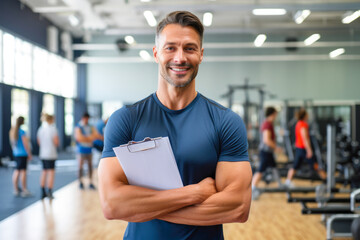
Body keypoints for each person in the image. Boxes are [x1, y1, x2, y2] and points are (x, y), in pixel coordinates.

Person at [98, 11, 252, 240]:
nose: (180, 58)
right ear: (156, 53)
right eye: (170, 48)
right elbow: (112, 205)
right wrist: (194, 193)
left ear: (201, 54)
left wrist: (144, 206)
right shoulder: (125, 119)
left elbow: (237, 207)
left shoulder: (226, 122)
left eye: (189, 48)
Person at [285, 108, 326, 187]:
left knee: (295, 166)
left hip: (299, 148)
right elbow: (305, 138)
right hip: (303, 149)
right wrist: (309, 150)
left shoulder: (298, 123)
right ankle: (326, 180)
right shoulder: (303, 124)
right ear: (304, 116)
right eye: (307, 115)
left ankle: (288, 181)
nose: (308, 116)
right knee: (315, 164)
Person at [252, 107, 282, 196]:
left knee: (274, 167)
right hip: (265, 151)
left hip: (268, 151)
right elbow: (266, 140)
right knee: (261, 170)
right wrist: (276, 147)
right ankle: (252, 188)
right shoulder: (267, 124)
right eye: (276, 114)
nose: (276, 116)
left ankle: (280, 184)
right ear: (272, 114)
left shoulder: (269, 123)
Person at [74, 112, 100, 190]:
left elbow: (96, 135)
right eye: (85, 118)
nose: (86, 120)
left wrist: (85, 138)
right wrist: (90, 138)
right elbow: (79, 138)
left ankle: (90, 182)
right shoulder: (78, 126)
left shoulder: (91, 126)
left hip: (89, 150)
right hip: (81, 150)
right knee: (80, 167)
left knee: (90, 167)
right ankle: (81, 182)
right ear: (83, 118)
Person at [9, 116, 32, 197]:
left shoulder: (12, 131)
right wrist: (29, 153)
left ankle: (16, 189)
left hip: (16, 154)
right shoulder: (22, 132)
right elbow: (25, 144)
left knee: (17, 171)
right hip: (23, 154)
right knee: (23, 172)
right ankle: (24, 190)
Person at [37, 114, 59, 199]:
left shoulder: (41, 129)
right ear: (51, 120)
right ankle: (49, 192)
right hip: (51, 154)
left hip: (43, 154)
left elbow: (39, 142)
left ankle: (43, 192)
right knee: (51, 173)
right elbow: (56, 142)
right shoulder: (53, 129)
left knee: (44, 172)